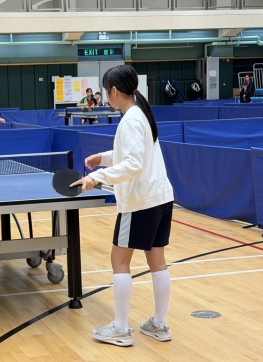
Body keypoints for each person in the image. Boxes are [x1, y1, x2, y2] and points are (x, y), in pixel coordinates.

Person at [71, 65, 174, 348]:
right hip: (161, 197)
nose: (106, 96)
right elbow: (132, 154)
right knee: (157, 260)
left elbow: (133, 164)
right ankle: (159, 324)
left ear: (114, 91)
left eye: (106, 91)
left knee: (119, 261)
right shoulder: (141, 113)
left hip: (140, 202)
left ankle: (119, 328)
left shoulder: (130, 119)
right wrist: (102, 158)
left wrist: (96, 177)